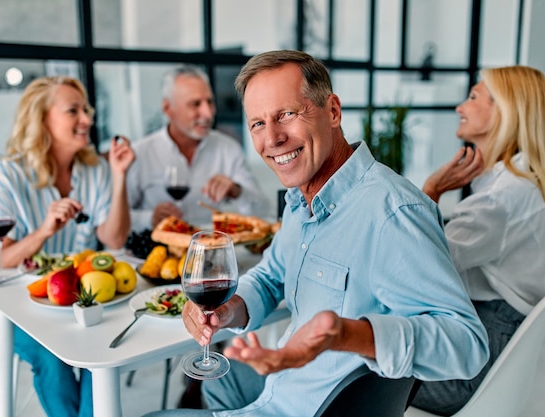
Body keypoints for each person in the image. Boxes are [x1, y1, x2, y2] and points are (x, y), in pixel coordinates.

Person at [142, 50, 489, 417]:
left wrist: (347, 334)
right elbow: (270, 276)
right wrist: (230, 308)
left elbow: (467, 346)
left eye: (287, 114)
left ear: (333, 111)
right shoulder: (301, 199)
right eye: (258, 124)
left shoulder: (394, 213)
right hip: (286, 388)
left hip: (314, 408)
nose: (272, 138)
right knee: (224, 376)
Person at [0, 76, 135, 417]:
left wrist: (119, 178)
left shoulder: (96, 171)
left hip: (60, 298)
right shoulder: (8, 175)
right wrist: (43, 230)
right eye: (73, 110)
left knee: (101, 349)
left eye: (86, 109)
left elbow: (114, 239)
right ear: (42, 119)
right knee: (50, 354)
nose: (87, 118)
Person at [411, 65, 545, 415]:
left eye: (473, 97)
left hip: (468, 371)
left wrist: (430, 191)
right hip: (482, 346)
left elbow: (419, 262)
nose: (460, 107)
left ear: (505, 112)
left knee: (354, 361)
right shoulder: (515, 187)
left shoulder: (502, 198)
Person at [126, 64, 269, 231]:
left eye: (209, 102)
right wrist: (148, 218)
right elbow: (113, 220)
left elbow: (264, 211)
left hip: (210, 250)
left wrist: (236, 191)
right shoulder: (140, 153)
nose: (208, 113)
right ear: (168, 108)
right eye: (195, 104)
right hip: (156, 252)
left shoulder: (229, 149)